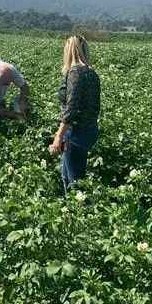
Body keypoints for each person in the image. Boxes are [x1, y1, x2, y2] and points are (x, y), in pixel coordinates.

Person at [48, 35, 101, 191]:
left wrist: (58, 137)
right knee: (68, 176)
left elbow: (71, 109)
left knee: (74, 182)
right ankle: (71, 212)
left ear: (69, 50)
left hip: (76, 132)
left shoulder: (75, 73)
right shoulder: (92, 72)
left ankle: (79, 212)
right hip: (90, 129)